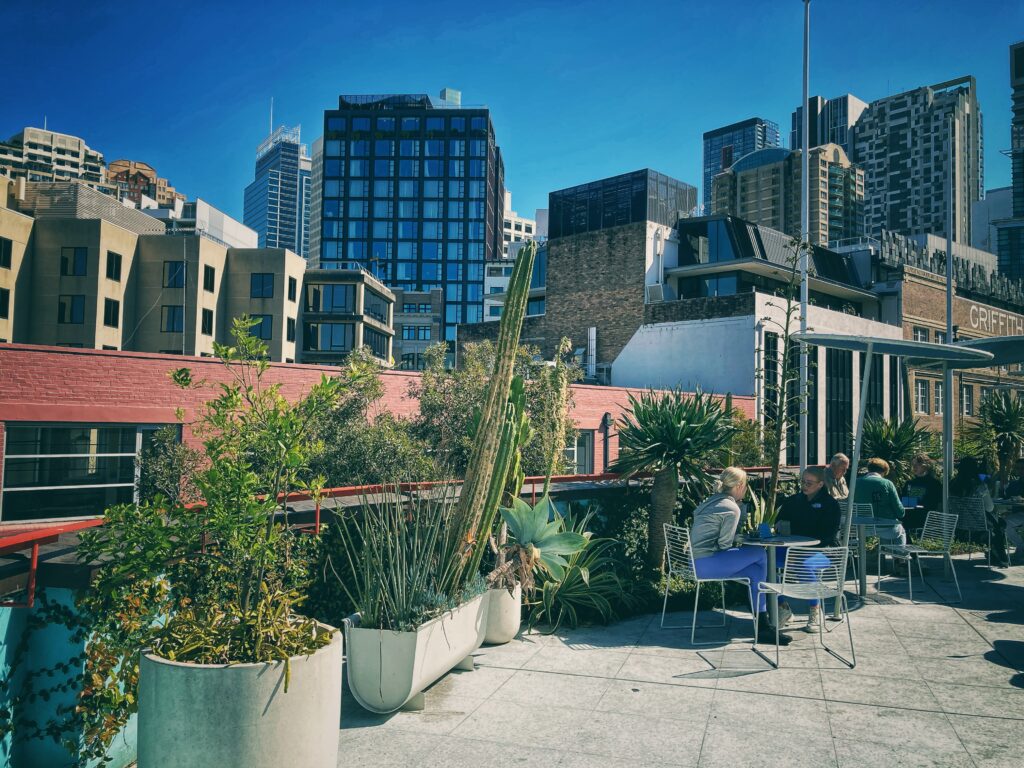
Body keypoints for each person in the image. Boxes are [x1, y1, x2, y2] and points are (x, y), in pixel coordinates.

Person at [691, 467, 792, 645]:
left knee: (755, 571)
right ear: (739, 486)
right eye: (745, 485)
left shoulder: (711, 501)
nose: (746, 489)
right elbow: (724, 544)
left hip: (696, 562)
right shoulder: (731, 508)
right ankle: (764, 625)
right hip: (707, 563)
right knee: (760, 553)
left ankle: (763, 625)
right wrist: (744, 535)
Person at [776, 467, 842, 632]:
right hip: (794, 549)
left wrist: (801, 550)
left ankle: (815, 609)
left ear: (820, 484)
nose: (804, 486)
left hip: (825, 552)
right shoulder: (793, 501)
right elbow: (780, 522)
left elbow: (828, 536)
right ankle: (783, 607)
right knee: (764, 561)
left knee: (803, 564)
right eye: (803, 482)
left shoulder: (830, 505)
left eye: (809, 483)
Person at [951, 457, 1009, 567]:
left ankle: (995, 553)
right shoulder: (979, 486)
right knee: (1000, 523)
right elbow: (990, 508)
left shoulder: (952, 484)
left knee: (997, 524)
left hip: (959, 528)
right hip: (979, 529)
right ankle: (1000, 555)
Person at [853, 458, 907, 546]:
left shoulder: (855, 483)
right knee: (900, 531)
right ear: (884, 471)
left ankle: (879, 557)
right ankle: (899, 557)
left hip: (862, 527)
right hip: (885, 527)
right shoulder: (887, 484)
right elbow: (900, 512)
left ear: (869, 469)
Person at [902, 453, 943, 534]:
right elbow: (904, 501)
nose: (914, 467)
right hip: (910, 516)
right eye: (913, 465)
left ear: (925, 466)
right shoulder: (910, 483)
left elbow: (936, 503)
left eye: (917, 465)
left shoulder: (934, 483)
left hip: (926, 517)